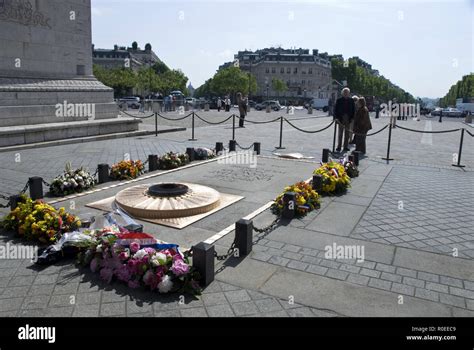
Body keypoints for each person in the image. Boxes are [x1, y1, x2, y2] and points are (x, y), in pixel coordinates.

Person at [334, 87, 355, 152]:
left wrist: (352, 118)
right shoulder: (339, 100)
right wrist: (336, 118)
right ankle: (339, 146)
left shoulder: (351, 100)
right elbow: (335, 110)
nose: (346, 93)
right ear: (342, 93)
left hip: (348, 118)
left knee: (347, 134)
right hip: (341, 118)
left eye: (347, 92)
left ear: (349, 93)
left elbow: (353, 110)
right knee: (340, 133)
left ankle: (345, 146)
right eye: (345, 92)